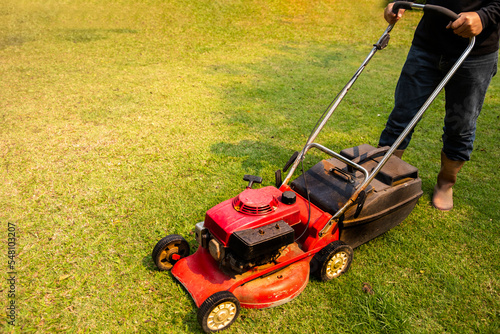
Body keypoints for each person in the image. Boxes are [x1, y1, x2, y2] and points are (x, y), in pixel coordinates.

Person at [379, 1, 500, 211]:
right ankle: (381, 175)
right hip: (427, 44)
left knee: (461, 125)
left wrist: (485, 16)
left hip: (476, 51)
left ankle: (446, 183)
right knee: (402, 115)